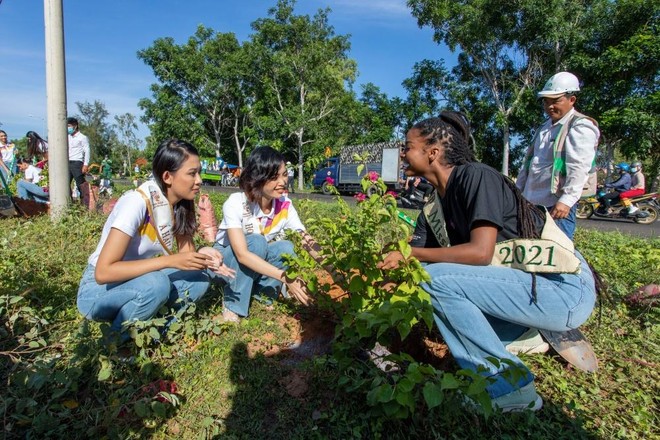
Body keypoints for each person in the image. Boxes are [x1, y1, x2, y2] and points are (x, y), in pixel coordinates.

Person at [378, 112, 597, 413]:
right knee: (433, 290)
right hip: (527, 293)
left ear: (433, 152)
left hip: (563, 289)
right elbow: (417, 256)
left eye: (408, 146)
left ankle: (511, 387)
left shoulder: (476, 176)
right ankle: (526, 333)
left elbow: (480, 253)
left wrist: (410, 255)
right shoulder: (433, 204)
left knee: (436, 280)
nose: (402, 153)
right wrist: (392, 276)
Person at [77, 139, 235, 343]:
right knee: (156, 284)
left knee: (199, 278)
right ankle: (117, 343)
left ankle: (156, 334)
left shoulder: (181, 205)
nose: (199, 180)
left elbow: (186, 258)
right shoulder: (137, 202)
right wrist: (168, 262)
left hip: (137, 280)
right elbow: (103, 272)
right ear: (168, 177)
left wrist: (203, 254)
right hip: (98, 292)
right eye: (191, 173)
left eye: (199, 173)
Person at [211, 146, 311, 323]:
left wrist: (335, 268)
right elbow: (242, 255)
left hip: (255, 257)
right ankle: (233, 303)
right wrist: (286, 278)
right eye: (274, 177)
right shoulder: (237, 203)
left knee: (286, 247)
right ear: (257, 177)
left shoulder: (284, 205)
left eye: (284, 174)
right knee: (257, 243)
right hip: (224, 263)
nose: (282, 182)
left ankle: (262, 295)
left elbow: (306, 239)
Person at [516, 72, 600, 240]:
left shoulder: (580, 126)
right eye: (546, 102)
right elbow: (530, 165)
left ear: (572, 100)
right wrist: (517, 193)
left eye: (556, 101)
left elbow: (579, 167)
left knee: (557, 254)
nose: (550, 107)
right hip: (531, 203)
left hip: (556, 206)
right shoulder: (544, 127)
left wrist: (566, 201)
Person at [67, 117, 91, 204]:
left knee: (80, 184)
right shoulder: (67, 137)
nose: (68, 128)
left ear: (75, 126)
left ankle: (85, 203)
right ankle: (70, 202)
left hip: (77, 163)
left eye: (69, 126)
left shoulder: (82, 137)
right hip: (67, 163)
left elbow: (87, 151)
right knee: (65, 183)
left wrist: (85, 164)